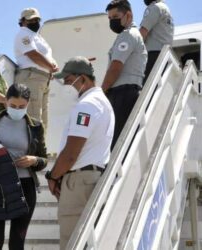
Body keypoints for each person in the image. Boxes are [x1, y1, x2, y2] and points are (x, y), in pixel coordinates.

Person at [46, 57, 115, 250]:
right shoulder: (102, 102)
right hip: (90, 177)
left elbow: (70, 154)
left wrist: (53, 176)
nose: (66, 85)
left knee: (73, 242)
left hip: (79, 181)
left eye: (68, 80)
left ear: (82, 78)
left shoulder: (86, 105)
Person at [0, 83, 48, 250]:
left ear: (28, 104)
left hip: (25, 186)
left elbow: (44, 160)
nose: (17, 109)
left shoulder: (35, 126)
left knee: (17, 241)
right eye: (12, 105)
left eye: (22, 106)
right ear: (5, 101)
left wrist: (34, 160)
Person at [102, 0, 147, 149]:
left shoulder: (128, 35)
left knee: (116, 142)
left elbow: (116, 67)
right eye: (109, 18)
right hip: (125, 91)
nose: (112, 21)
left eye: (115, 16)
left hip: (123, 93)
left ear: (128, 15)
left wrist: (101, 91)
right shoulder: (128, 35)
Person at [14, 7, 59, 129]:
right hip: (31, 78)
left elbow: (44, 55)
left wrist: (52, 64)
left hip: (42, 79)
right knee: (34, 118)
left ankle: (40, 147)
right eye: (31, 20)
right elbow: (33, 55)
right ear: (23, 21)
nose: (35, 23)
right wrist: (50, 67)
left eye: (37, 20)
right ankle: (32, 147)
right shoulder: (24, 34)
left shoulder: (36, 36)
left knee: (43, 121)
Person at [140, 0, 174, 84]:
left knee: (145, 87)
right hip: (163, 54)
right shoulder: (165, 8)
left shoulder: (155, 7)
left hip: (152, 55)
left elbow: (143, 33)